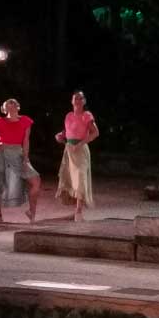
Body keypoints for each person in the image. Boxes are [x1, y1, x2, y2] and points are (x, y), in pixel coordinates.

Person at [0, 98, 42, 223]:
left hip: (18, 153)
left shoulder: (25, 120)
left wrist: (25, 158)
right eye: (8, 104)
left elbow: (26, 141)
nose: (11, 104)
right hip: (2, 153)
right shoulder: (0, 121)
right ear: (4, 109)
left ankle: (31, 212)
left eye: (14, 103)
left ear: (18, 106)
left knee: (35, 180)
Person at [54, 90, 99, 220]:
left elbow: (95, 133)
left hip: (81, 150)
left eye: (80, 98)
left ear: (84, 101)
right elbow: (68, 131)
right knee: (70, 178)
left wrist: (80, 144)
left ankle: (78, 211)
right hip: (69, 150)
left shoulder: (86, 115)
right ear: (72, 101)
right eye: (75, 98)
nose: (78, 101)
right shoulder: (68, 115)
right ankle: (75, 208)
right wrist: (60, 136)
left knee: (80, 178)